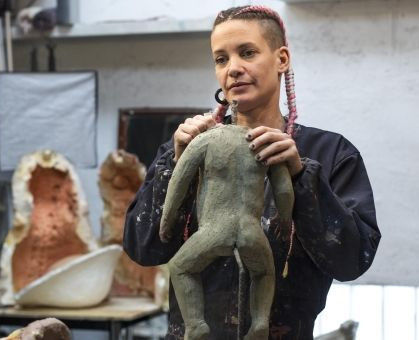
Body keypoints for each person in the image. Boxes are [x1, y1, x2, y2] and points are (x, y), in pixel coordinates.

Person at [123, 5, 381, 340]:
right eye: (221, 59)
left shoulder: (330, 153)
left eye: (247, 52)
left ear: (281, 59)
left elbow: (352, 260)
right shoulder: (189, 147)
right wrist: (172, 164)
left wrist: (302, 177)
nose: (233, 69)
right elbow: (142, 249)